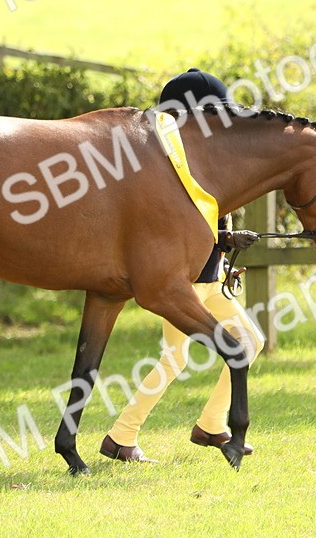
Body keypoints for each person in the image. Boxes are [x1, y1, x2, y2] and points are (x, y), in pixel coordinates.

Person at [99, 69, 266, 463]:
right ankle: (121, 437)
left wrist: (225, 253)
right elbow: (180, 228)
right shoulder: (171, 164)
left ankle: (210, 424)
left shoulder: (205, 159)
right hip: (183, 283)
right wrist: (226, 238)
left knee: (250, 341)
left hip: (212, 279)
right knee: (175, 358)